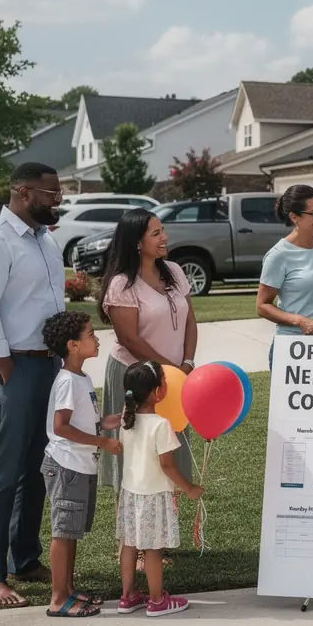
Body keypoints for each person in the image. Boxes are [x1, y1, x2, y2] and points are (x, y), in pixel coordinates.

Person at [0, 161, 66, 609]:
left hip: (46, 364)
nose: (57, 200)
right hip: (9, 364)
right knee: (4, 472)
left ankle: (25, 559)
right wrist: (7, 369)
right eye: (51, 194)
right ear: (24, 193)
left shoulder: (45, 241)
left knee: (37, 468)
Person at [97, 209, 196, 567]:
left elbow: (190, 321)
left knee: (165, 453)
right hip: (136, 378)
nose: (164, 237)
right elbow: (129, 338)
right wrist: (165, 371)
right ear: (137, 242)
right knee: (137, 461)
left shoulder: (175, 273)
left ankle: (155, 540)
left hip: (172, 378)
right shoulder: (122, 285)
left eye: (162, 230)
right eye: (155, 233)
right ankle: (134, 545)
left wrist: (186, 364)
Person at [39, 311, 124, 618]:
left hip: (79, 465)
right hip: (66, 466)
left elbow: (90, 422)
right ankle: (58, 598)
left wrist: (116, 421)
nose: (97, 338)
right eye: (90, 334)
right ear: (73, 345)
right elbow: (60, 426)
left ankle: (68, 589)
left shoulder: (82, 378)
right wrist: (104, 443)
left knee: (71, 531)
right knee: (63, 533)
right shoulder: (66, 382)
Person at [116, 361, 204, 617]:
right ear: (157, 392)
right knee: (152, 548)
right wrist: (189, 488)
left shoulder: (126, 420)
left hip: (130, 493)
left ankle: (127, 597)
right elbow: (167, 465)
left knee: (130, 545)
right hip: (152, 496)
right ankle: (157, 600)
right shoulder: (161, 425)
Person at [257, 184, 313, 368]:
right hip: (292, 348)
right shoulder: (278, 255)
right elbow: (262, 306)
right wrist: (301, 321)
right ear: (294, 217)